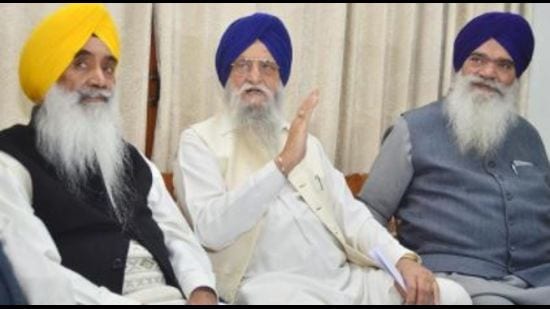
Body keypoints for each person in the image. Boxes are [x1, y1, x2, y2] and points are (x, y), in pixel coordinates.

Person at [173, 12, 471, 305]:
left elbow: (352, 217)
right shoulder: (199, 141)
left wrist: (402, 259)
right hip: (272, 286)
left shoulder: (306, 143)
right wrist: (282, 164)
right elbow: (210, 230)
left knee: (451, 295)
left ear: (280, 79)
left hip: (345, 281)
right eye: (242, 65)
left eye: (267, 67)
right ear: (227, 74)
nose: (254, 77)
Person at [0, 4, 217, 305]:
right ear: (48, 74)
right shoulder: (10, 159)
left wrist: (202, 290)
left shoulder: (133, 160)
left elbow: (177, 235)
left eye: (109, 67)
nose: (100, 80)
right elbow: (37, 273)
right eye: (81, 64)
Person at [359, 11, 550, 305]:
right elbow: (366, 215)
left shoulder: (529, 137)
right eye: (477, 59)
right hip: (461, 283)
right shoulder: (412, 129)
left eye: (504, 65)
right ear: (460, 64)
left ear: (516, 76)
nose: (488, 72)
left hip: (539, 280)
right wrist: (400, 262)